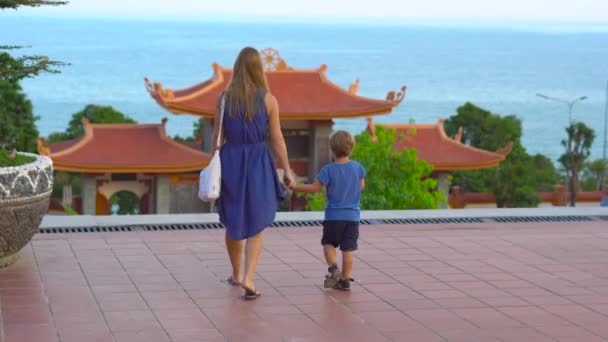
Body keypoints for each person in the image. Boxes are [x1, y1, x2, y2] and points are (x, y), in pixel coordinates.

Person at [212, 47, 293, 300]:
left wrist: (212, 168)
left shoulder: (224, 98)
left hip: (231, 160)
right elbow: (277, 138)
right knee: (257, 220)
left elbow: (217, 139)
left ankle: (236, 274)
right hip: (258, 161)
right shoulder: (269, 100)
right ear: (259, 69)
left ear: (236, 68)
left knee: (233, 218)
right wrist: (287, 169)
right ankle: (249, 276)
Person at [290, 131, 365, 291]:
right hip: (352, 217)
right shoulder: (358, 168)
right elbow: (361, 186)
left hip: (333, 217)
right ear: (351, 148)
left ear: (332, 148)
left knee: (328, 244)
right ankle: (345, 280)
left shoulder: (328, 170)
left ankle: (333, 268)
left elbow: (315, 188)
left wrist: (295, 186)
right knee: (348, 249)